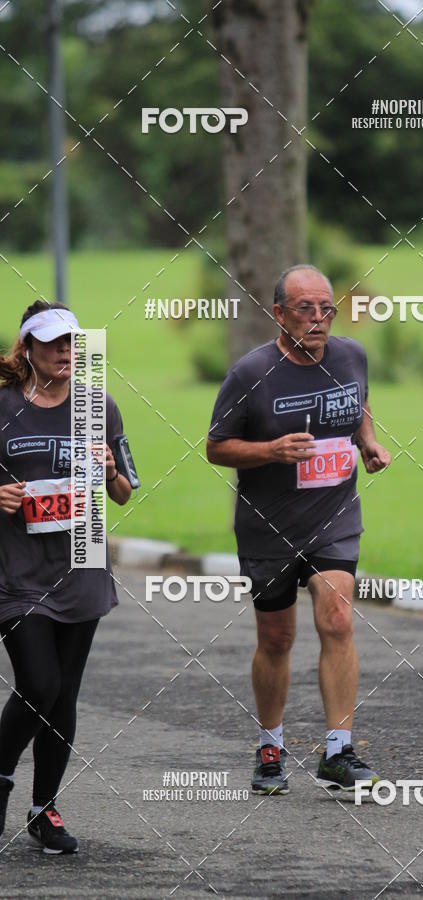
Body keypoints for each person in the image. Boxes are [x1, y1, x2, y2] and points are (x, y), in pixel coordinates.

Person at [207, 264, 391, 795]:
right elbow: (216, 446)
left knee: (337, 617)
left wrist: (368, 441)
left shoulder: (351, 356)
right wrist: (270, 451)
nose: (318, 319)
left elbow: (356, 403)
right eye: (305, 309)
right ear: (279, 313)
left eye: (326, 308)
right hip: (269, 527)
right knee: (277, 637)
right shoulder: (250, 373)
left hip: (334, 516)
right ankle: (270, 746)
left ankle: (339, 751)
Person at [0, 301, 133, 853]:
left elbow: (125, 491)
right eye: (53, 343)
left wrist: (108, 471)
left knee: (64, 695)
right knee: (39, 683)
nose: (64, 352)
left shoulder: (98, 407)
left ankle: (43, 808)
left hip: (81, 566)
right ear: (27, 349)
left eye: (72, 342)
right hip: (17, 573)